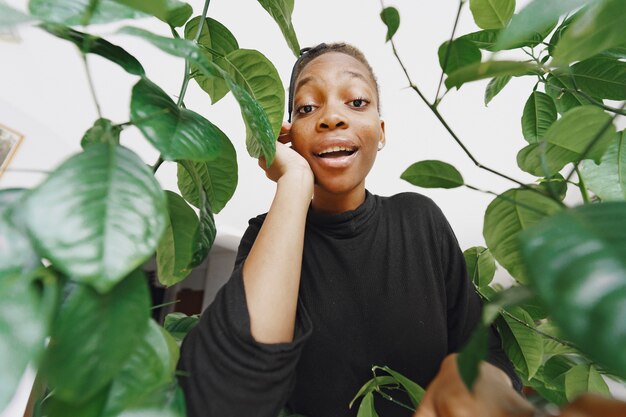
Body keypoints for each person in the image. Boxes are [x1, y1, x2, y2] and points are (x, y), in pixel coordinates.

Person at [177, 42, 534, 417]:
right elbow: (227, 395)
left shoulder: (420, 220)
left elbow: (484, 348)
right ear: (288, 137)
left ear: (380, 132)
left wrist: (476, 378)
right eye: (307, 107)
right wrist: (294, 180)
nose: (331, 117)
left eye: (357, 102)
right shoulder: (266, 236)